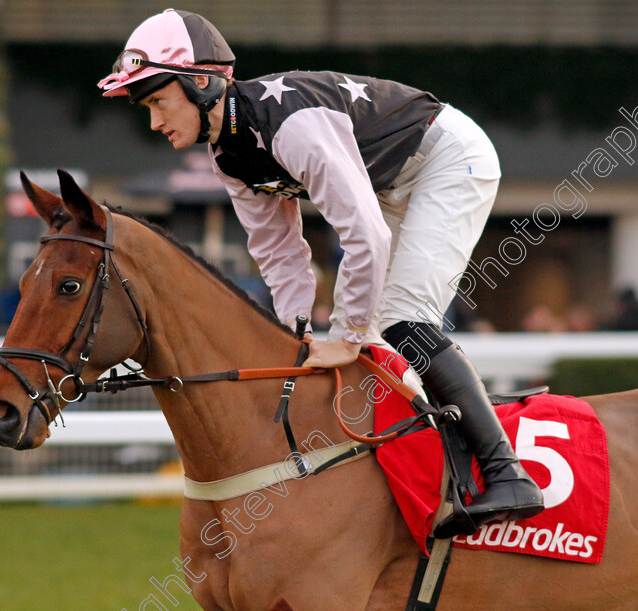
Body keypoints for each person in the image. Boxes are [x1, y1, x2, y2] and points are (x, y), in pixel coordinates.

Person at [98, 9, 543, 537]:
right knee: (383, 338)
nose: (153, 122)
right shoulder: (229, 156)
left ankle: (507, 473)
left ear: (200, 82)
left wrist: (348, 336)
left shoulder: (292, 125)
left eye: (156, 101)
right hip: (393, 183)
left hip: (448, 159)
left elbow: (365, 236)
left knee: (400, 321)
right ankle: (435, 473)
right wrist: (298, 335)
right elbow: (280, 253)